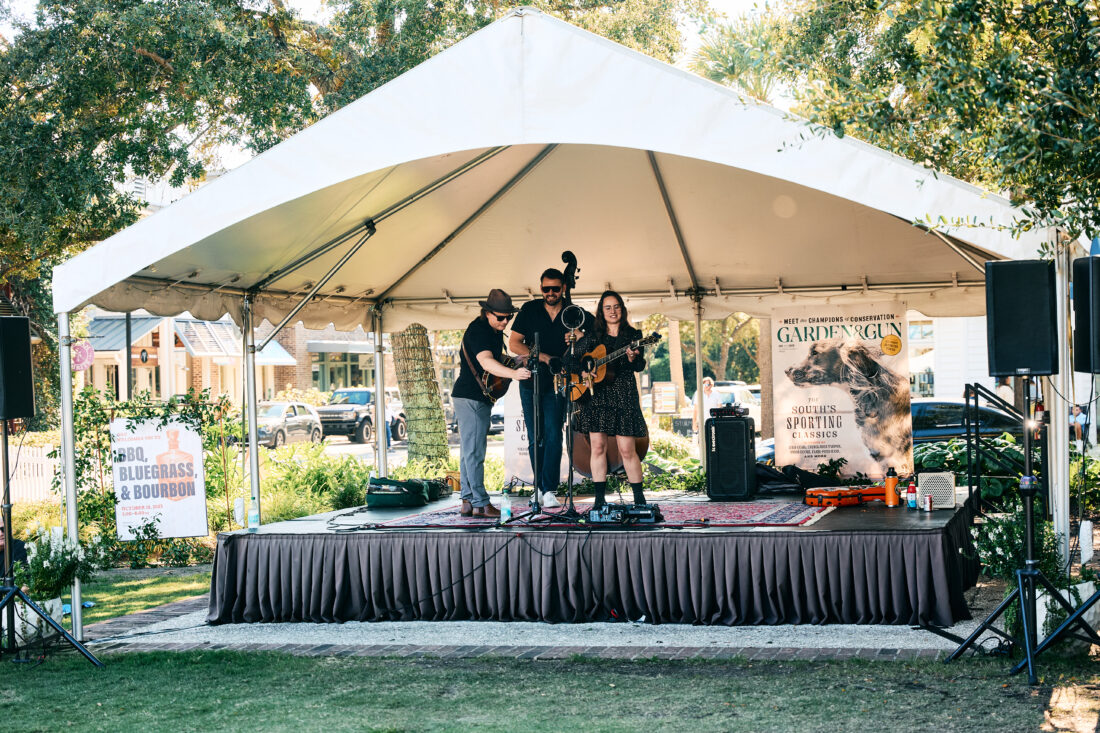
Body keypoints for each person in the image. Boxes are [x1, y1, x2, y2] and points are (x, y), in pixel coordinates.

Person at [509, 268, 594, 508]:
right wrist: (545, 357)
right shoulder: (529, 309)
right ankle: (538, 488)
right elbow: (514, 343)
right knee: (537, 437)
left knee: (554, 435)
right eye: (545, 289)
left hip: (560, 382)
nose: (550, 293)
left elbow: (596, 335)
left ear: (563, 288)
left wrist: (579, 336)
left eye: (555, 288)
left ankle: (549, 490)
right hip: (531, 381)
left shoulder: (573, 312)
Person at [453, 289, 531, 517]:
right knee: (475, 453)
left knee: (469, 452)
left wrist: (514, 360)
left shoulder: (492, 331)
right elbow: (486, 362)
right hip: (471, 397)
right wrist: (514, 374)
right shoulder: (479, 330)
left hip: (473, 396)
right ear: (487, 313)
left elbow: (494, 360)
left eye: (509, 317)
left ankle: (468, 501)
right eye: (500, 317)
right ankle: (481, 503)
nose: (505, 321)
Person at [568, 290, 648, 509]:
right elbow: (572, 361)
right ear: (601, 312)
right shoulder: (593, 337)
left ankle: (640, 500)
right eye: (608, 307)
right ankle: (599, 501)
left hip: (623, 395)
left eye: (616, 307)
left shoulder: (633, 335)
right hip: (597, 398)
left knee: (627, 450)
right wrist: (584, 372)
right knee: (597, 447)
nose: (613, 311)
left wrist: (633, 357)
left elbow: (639, 366)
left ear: (622, 309)